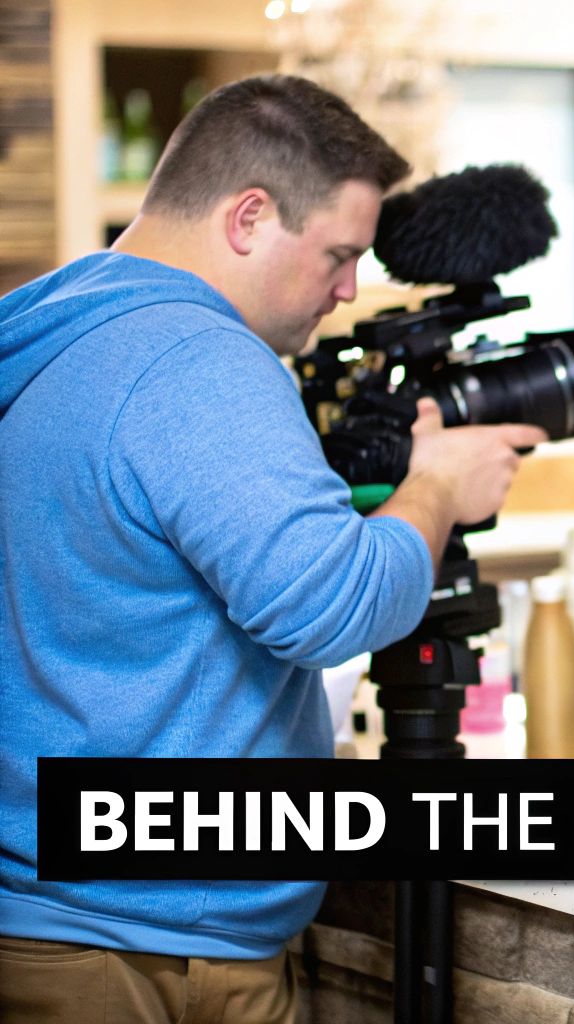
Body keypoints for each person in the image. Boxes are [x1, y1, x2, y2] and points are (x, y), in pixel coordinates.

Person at [0, 75, 545, 1023]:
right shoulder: (197, 359)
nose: (348, 290)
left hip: (53, 914)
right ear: (249, 217)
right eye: (339, 254)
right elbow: (331, 607)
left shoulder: (58, 327)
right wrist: (436, 491)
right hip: (147, 954)